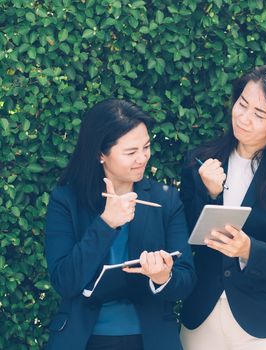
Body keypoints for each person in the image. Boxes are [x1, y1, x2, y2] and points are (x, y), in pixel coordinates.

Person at [179, 65, 266, 349]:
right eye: (242, 104)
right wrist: (209, 193)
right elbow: (182, 236)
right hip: (202, 315)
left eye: (258, 114)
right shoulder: (200, 160)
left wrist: (248, 250)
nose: (243, 118)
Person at [44, 99, 195, 350]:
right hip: (84, 339)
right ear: (100, 153)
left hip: (151, 339)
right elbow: (65, 281)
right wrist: (106, 224)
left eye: (146, 147)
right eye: (130, 152)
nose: (142, 158)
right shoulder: (66, 200)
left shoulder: (165, 199)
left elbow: (186, 279)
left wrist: (163, 276)